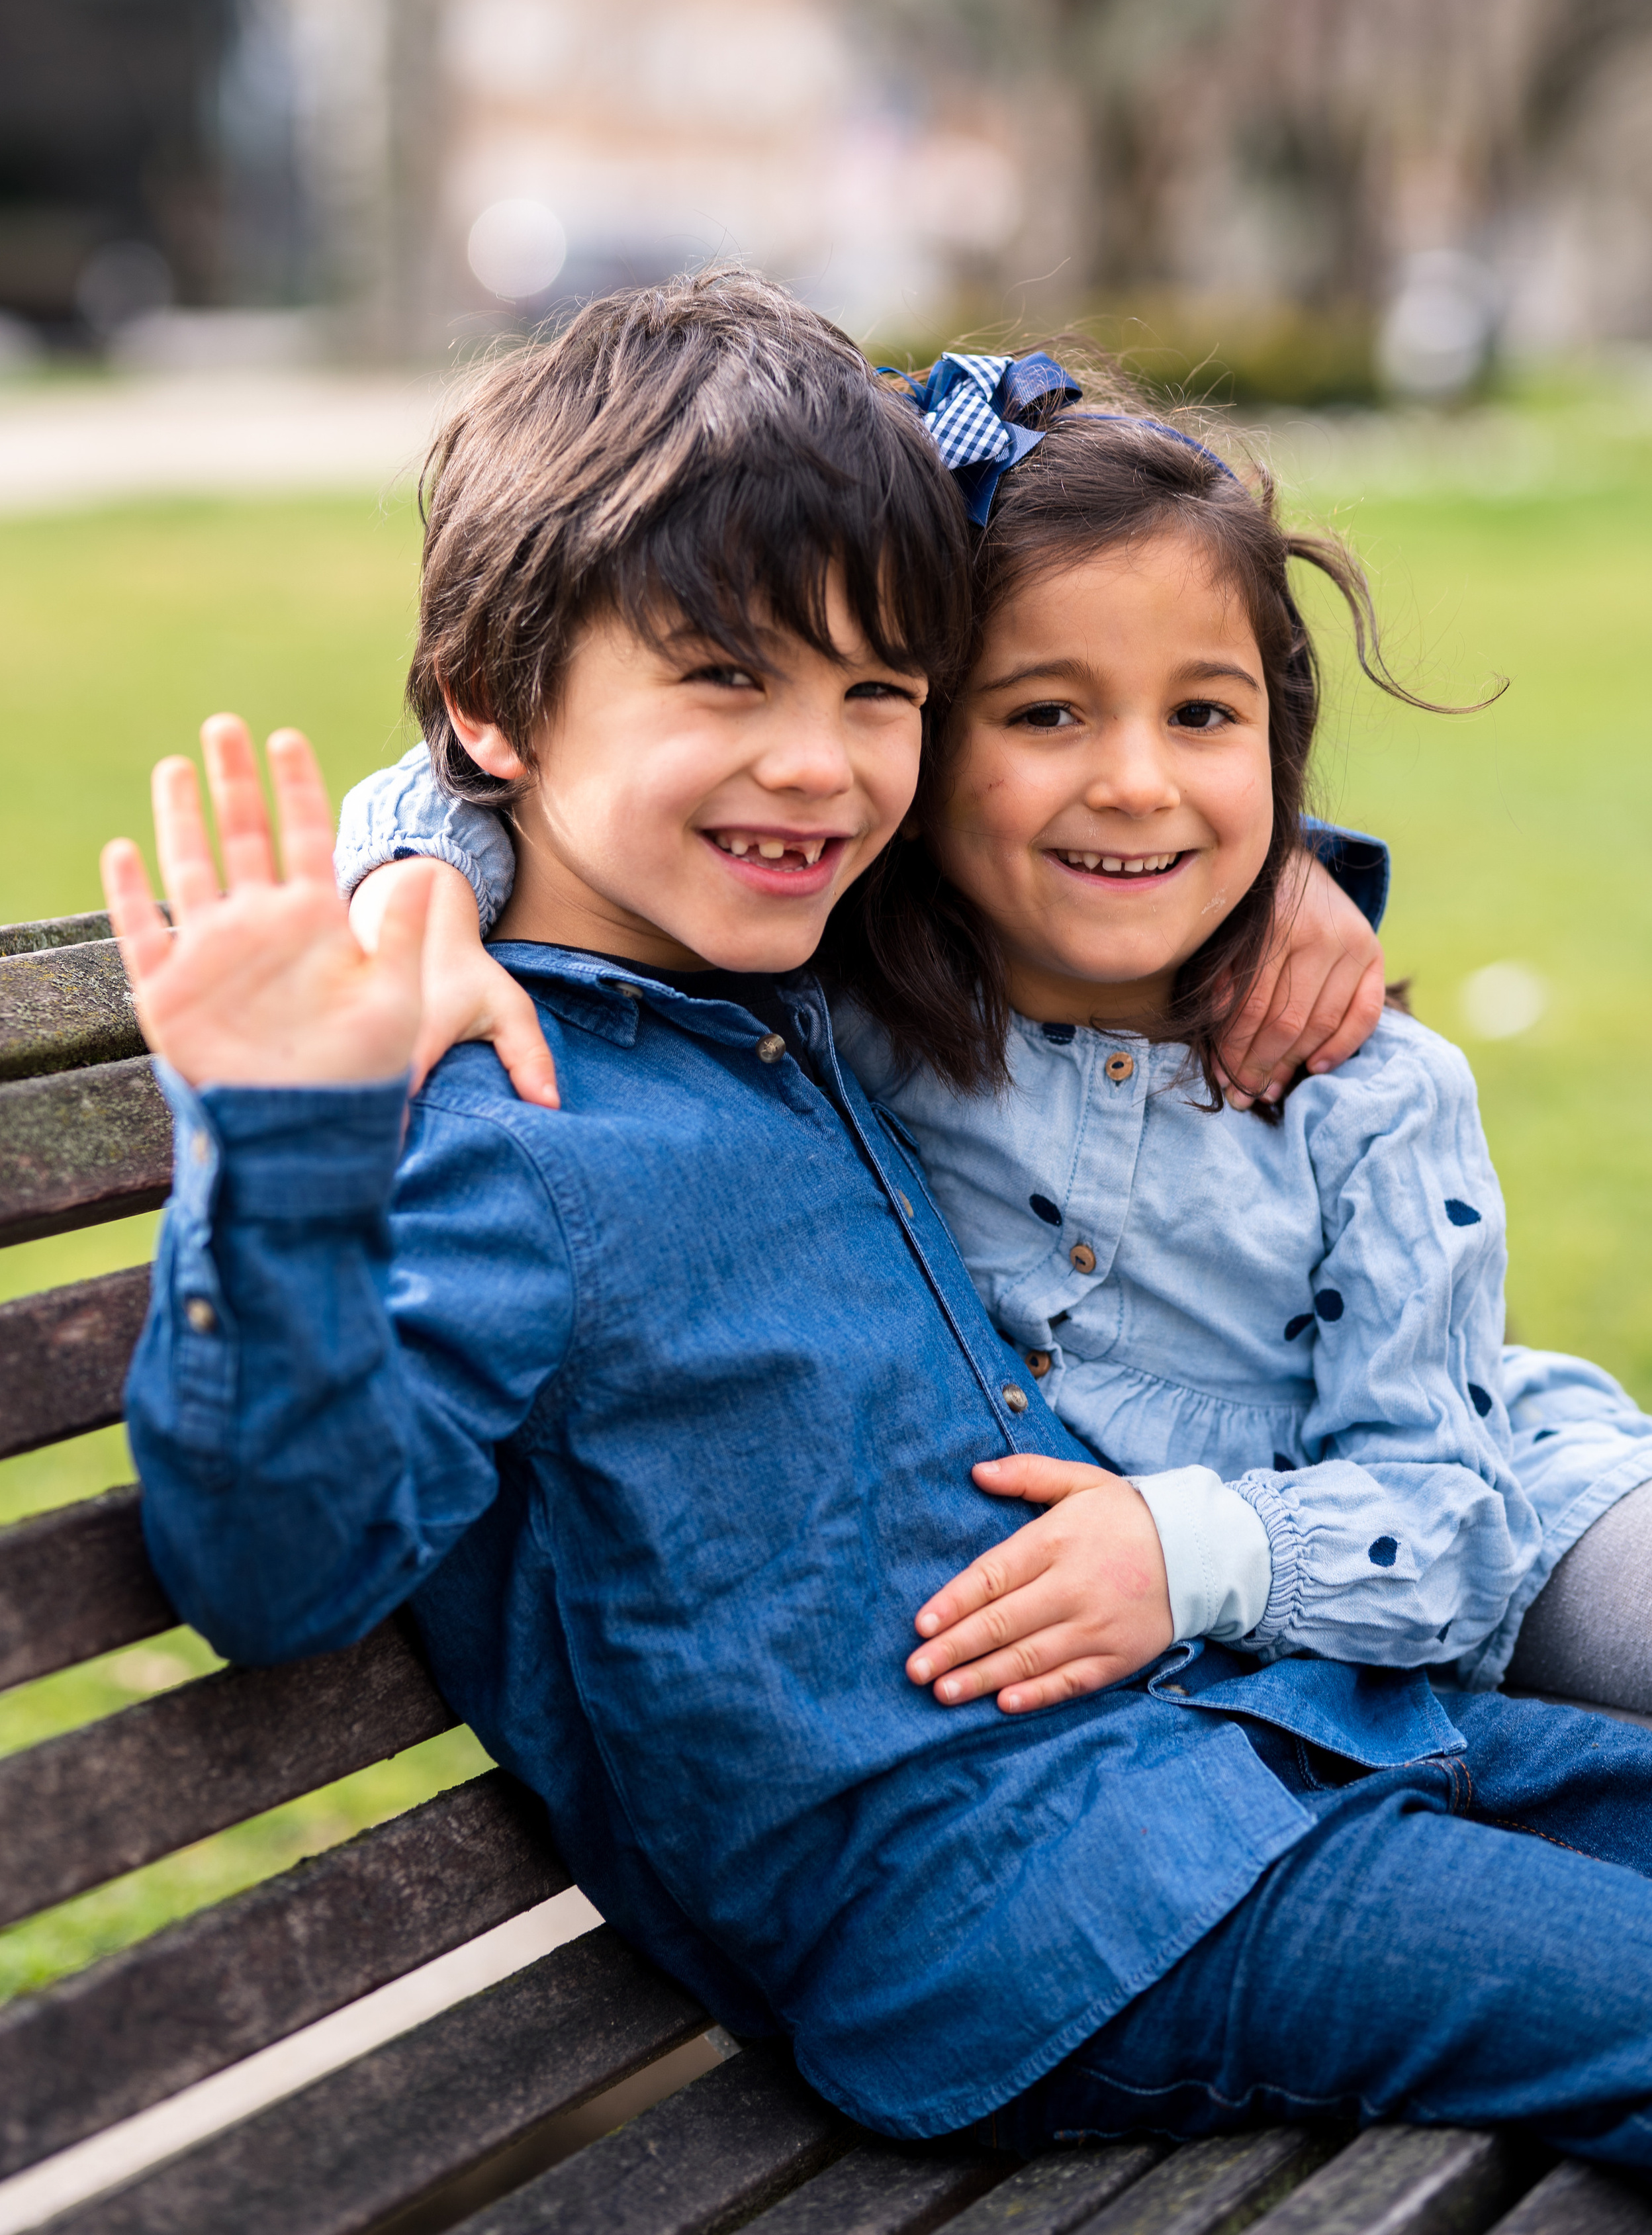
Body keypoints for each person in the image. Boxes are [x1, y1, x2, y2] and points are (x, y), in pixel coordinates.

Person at [107, 271, 1652, 2173]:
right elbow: (276, 1567)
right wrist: (280, 1150)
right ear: (496, 711)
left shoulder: (790, 979)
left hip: (1227, 1747)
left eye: (879, 692)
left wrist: (1296, 887)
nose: (823, 767)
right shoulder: (494, 1114)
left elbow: (1081, 815)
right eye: (729, 677)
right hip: (1023, 1914)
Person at [340, 345, 1652, 1719]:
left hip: (1510, 1523)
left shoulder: (1359, 1090)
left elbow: (1456, 1532)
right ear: (917, 744)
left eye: (1203, 715)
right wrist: (419, 877)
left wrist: (1284, 869)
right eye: (1044, 714)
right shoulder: (843, 993)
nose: (1136, 784)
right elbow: (534, 733)